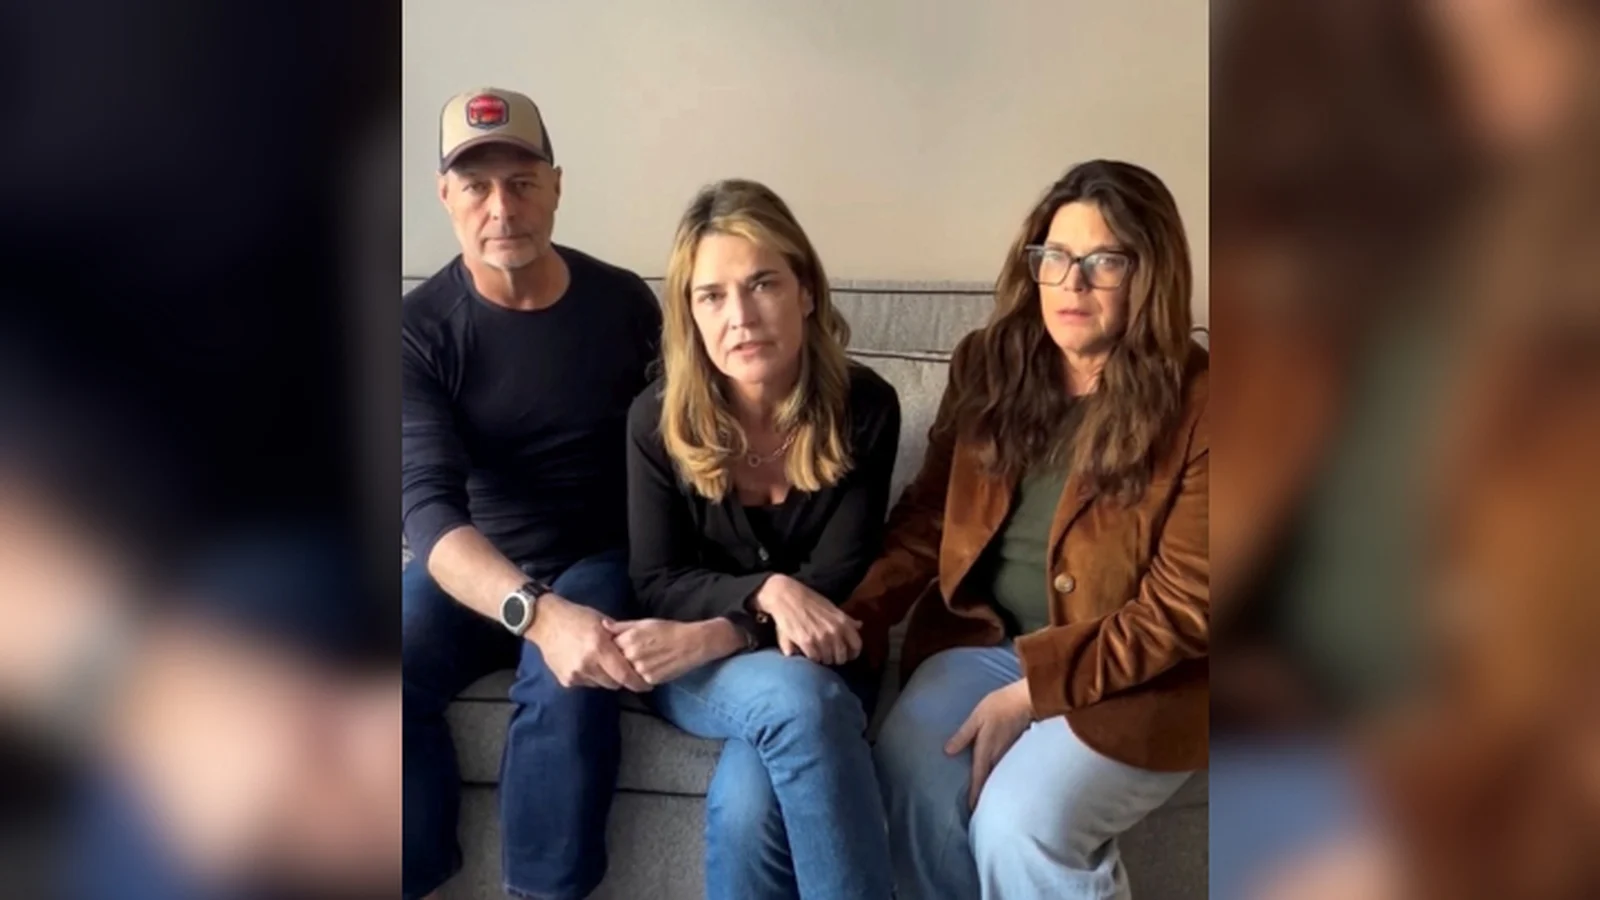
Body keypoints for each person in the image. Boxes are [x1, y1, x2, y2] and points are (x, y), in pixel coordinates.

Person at [847, 160, 1209, 900]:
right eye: (1055, 257)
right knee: (909, 784)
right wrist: (851, 617)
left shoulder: (1208, 402)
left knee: (1018, 825)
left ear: (1151, 275)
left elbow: (1184, 608)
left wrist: (1033, 692)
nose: (1072, 284)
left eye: (1104, 262)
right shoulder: (988, 365)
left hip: (1137, 679)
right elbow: (928, 519)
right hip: (982, 645)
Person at [401, 87, 662, 900]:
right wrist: (537, 614)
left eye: (520, 181)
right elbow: (427, 512)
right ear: (445, 195)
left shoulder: (625, 303)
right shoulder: (417, 330)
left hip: (602, 555)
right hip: (478, 564)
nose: (501, 207)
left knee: (571, 679)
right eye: (476, 185)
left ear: (556, 185)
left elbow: (679, 450)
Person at [620, 179, 900, 900]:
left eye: (763, 284)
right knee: (802, 705)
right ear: (689, 314)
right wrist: (767, 592)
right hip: (697, 667)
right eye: (712, 296)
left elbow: (838, 577)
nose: (740, 317)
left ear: (805, 291)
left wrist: (730, 627)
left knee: (748, 804)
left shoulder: (865, 407)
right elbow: (656, 581)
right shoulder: (655, 421)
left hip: (821, 648)